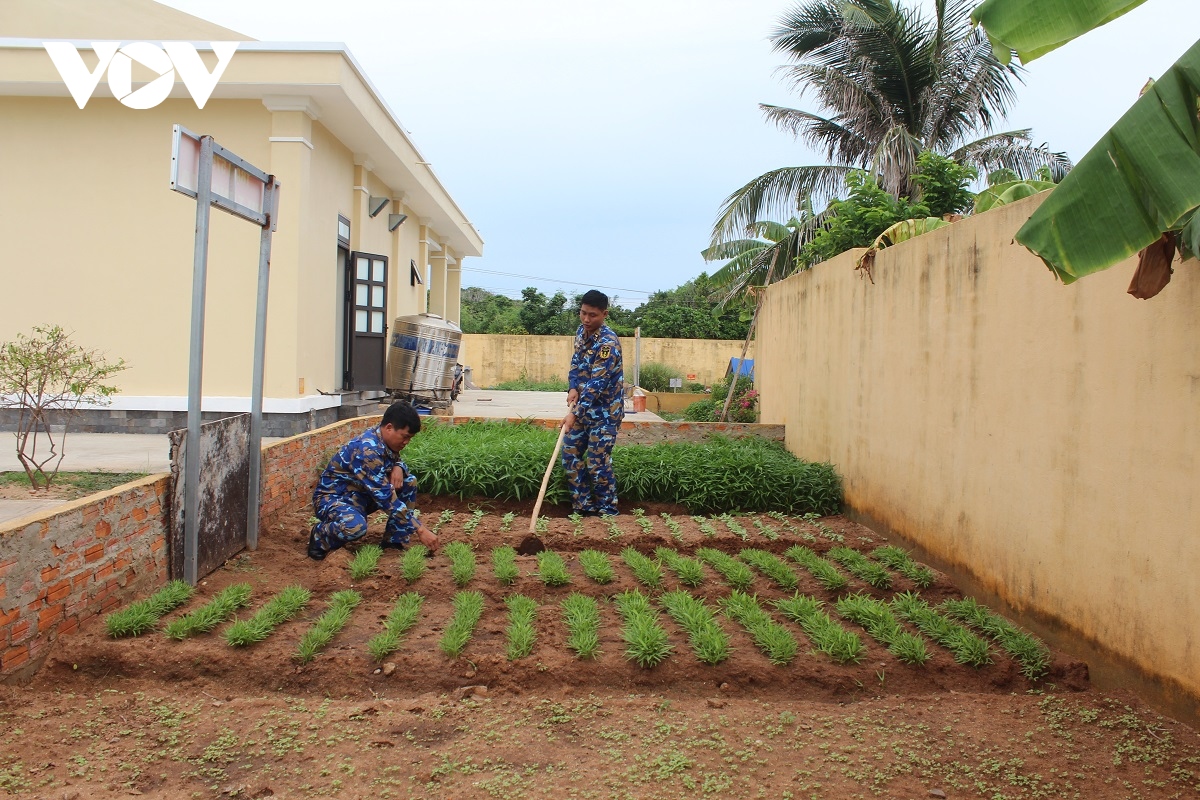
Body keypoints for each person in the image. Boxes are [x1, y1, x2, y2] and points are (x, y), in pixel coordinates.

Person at [307, 401, 439, 560]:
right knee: (355, 527)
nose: (406, 442)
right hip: (333, 499)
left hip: (360, 495)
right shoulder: (367, 449)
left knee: (408, 482)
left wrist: (398, 466)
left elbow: (393, 461)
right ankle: (320, 537)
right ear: (389, 428)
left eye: (409, 438)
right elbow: (386, 498)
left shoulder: (384, 440)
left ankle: (394, 541)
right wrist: (421, 530)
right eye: (405, 437)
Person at [561, 289, 624, 516]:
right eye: (583, 313)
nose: (587, 319)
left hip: (605, 414)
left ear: (604, 314)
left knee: (597, 463)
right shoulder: (581, 332)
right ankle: (584, 509)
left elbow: (597, 384)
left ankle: (608, 512)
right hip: (582, 409)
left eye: (593, 315)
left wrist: (573, 414)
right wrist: (572, 386)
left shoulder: (608, 344)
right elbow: (576, 362)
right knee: (569, 455)